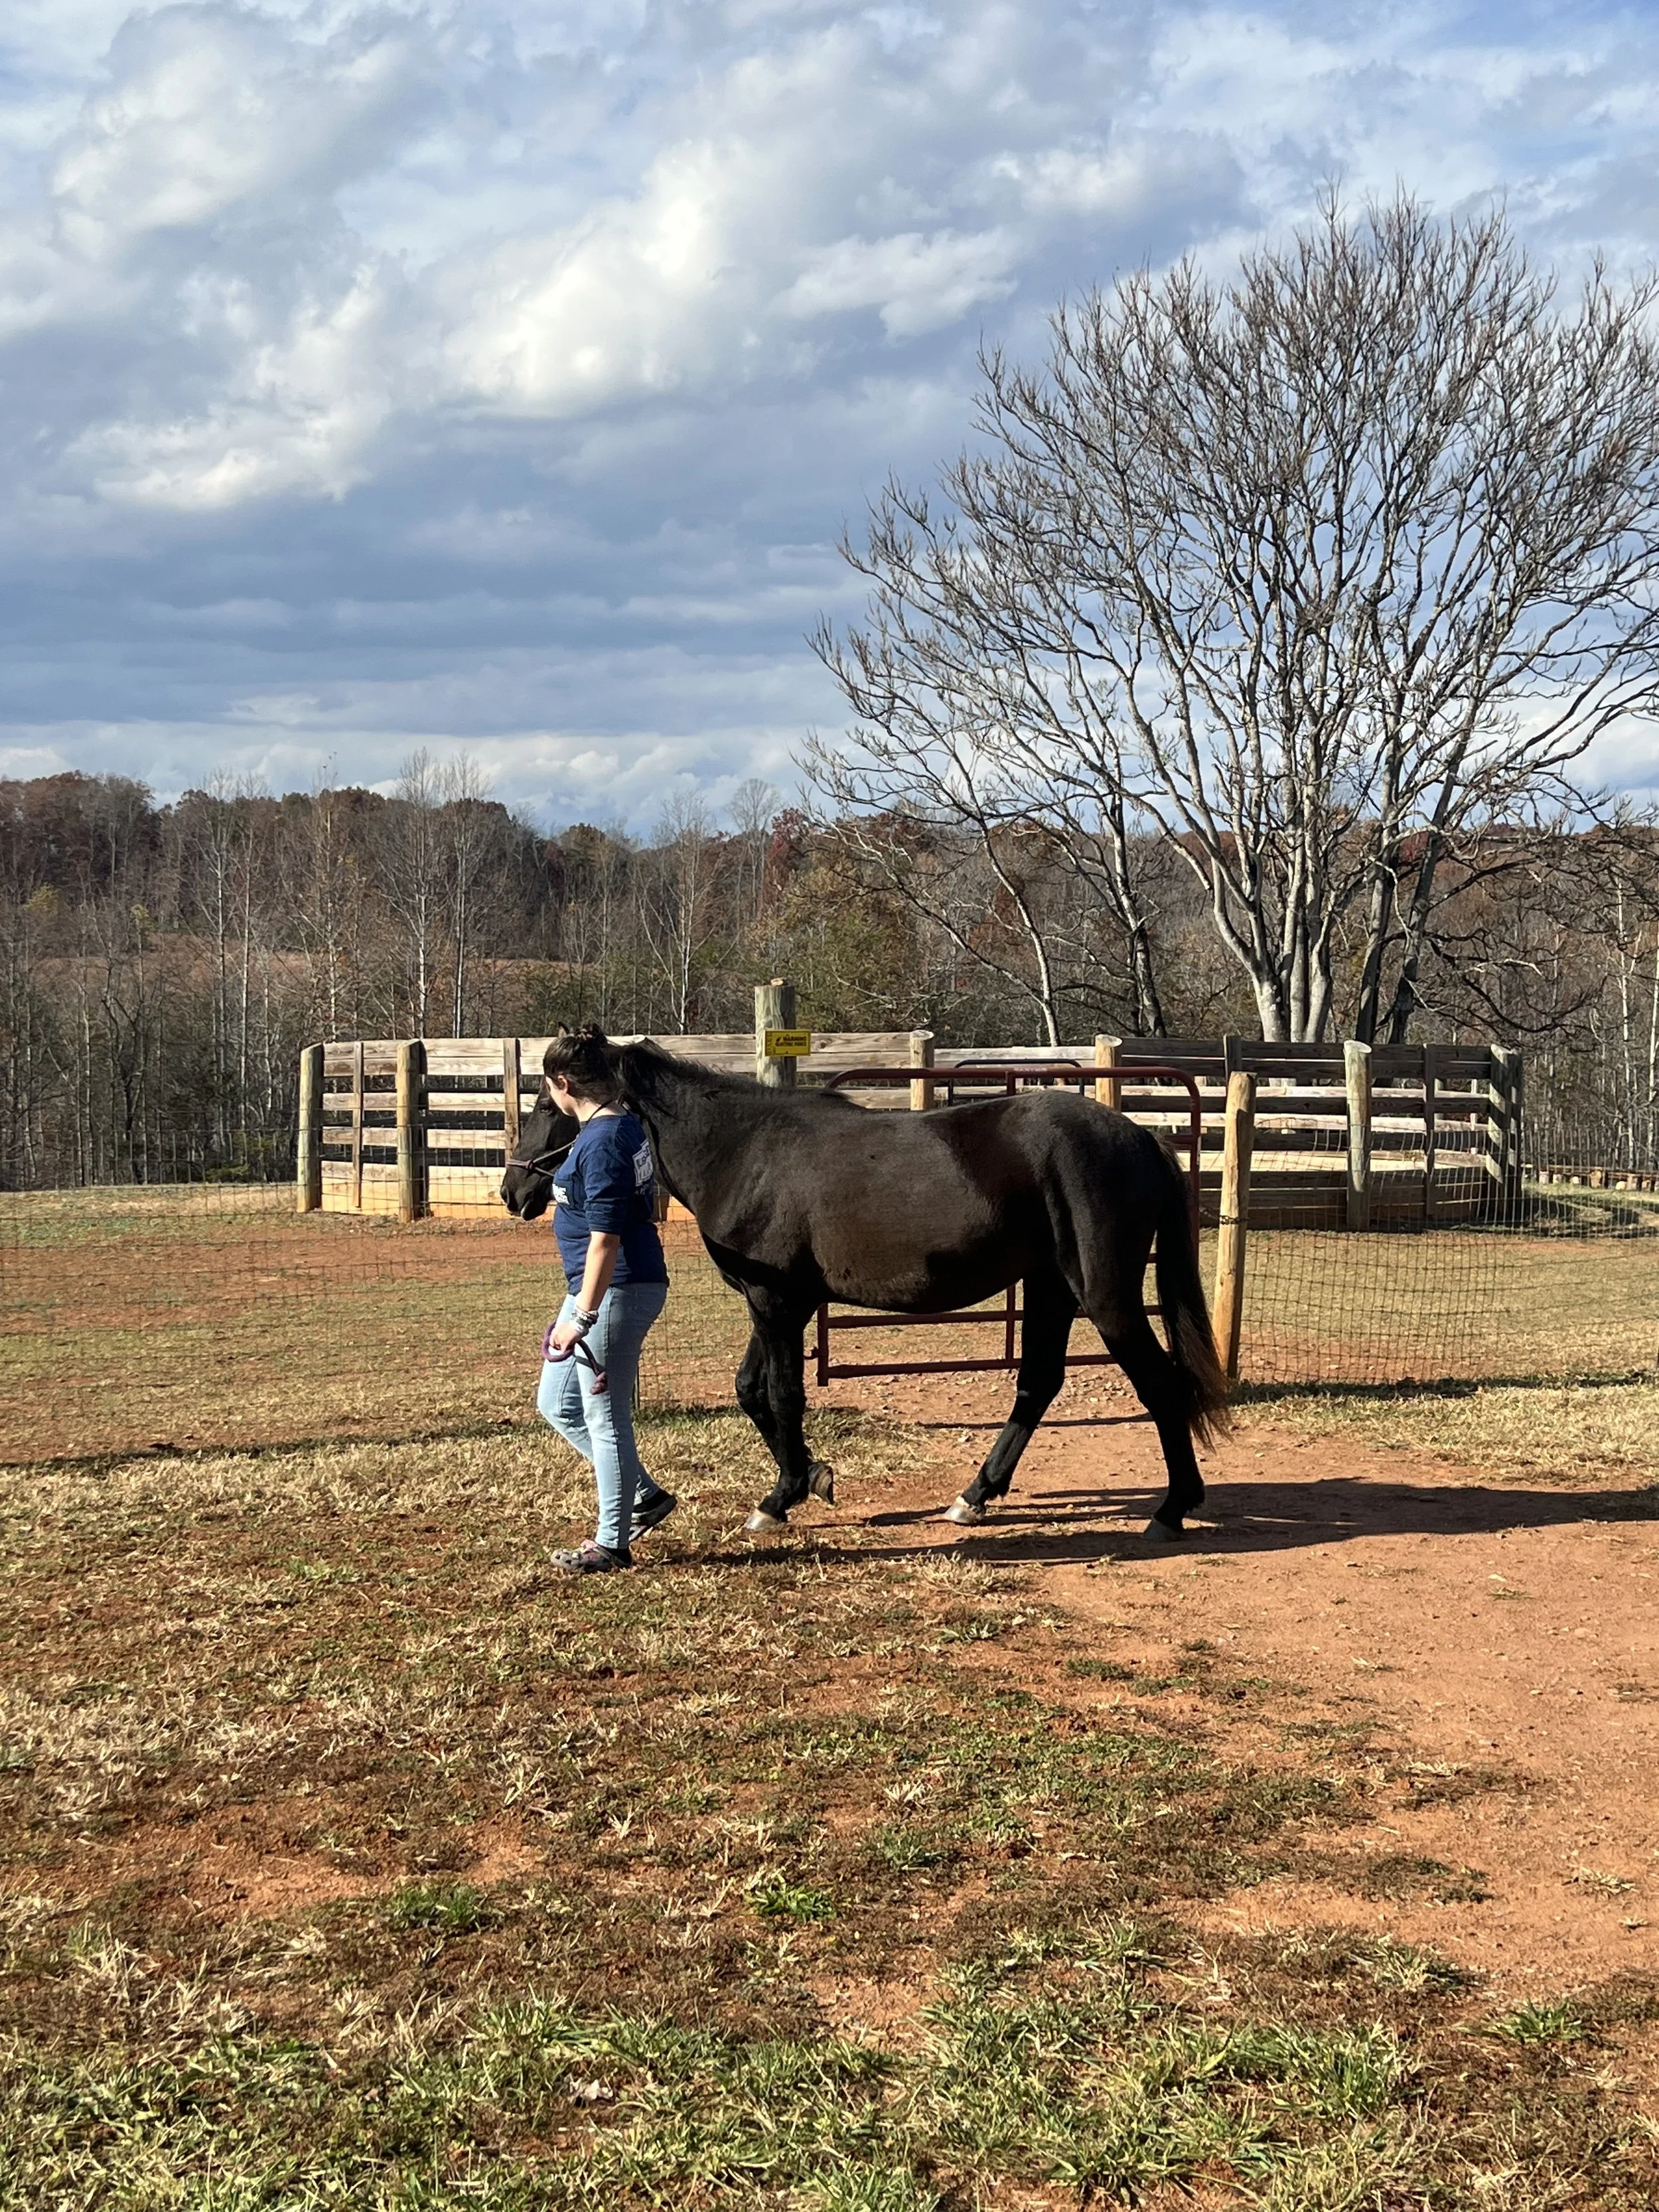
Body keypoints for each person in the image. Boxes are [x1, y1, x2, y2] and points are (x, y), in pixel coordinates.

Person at [536, 1027, 676, 1572]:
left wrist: (583, 1316)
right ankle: (644, 1495)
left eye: (550, 1089)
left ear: (564, 1083)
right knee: (558, 1404)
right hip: (595, 1288)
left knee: (605, 1416)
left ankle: (611, 1544)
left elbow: (605, 1240)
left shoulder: (602, 1142)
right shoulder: (619, 1126)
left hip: (616, 1289)